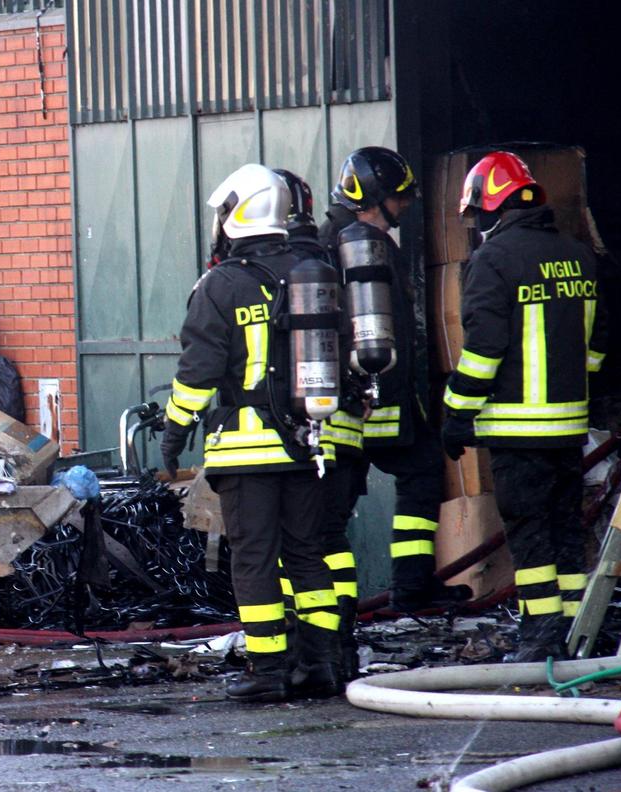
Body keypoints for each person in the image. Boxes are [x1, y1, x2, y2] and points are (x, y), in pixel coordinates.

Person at [161, 164, 342, 702]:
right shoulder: (313, 272)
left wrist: (174, 432)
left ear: (236, 214)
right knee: (308, 554)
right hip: (310, 442)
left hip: (247, 449)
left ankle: (268, 670)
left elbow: (198, 374)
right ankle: (321, 665)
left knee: (255, 557)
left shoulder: (220, 285)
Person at [441, 151, 604, 662]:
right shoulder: (578, 255)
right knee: (564, 533)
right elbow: (594, 348)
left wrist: (456, 413)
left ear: (492, 205)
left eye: (479, 214)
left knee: (531, 540)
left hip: (517, 429)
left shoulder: (494, 261)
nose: (478, 226)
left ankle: (540, 638)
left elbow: (484, 350)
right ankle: (580, 632)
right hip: (569, 427)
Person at [319, 146, 466, 612]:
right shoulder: (355, 243)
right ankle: (369, 603)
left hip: (374, 400)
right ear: (374, 196)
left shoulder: (339, 239)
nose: (404, 205)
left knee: (420, 470)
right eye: (398, 197)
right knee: (335, 510)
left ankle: (406, 589)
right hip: (363, 403)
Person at [274, 169, 364, 678]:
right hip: (347, 428)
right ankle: (342, 643)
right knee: (334, 540)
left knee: (300, 546)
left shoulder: (273, 269)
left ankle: (309, 650)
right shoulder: (338, 257)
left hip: (306, 433)